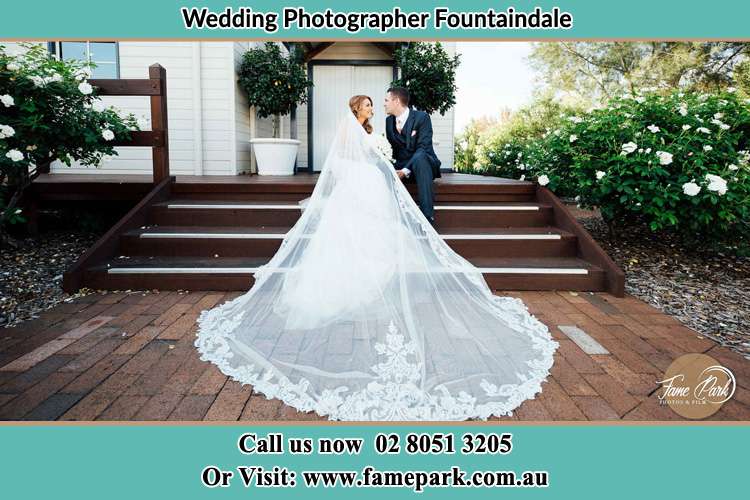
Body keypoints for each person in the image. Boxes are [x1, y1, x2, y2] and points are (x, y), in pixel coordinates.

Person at [194, 94, 558, 421]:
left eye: (376, 103)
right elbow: (339, 164)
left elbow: (389, 153)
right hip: (358, 184)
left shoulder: (378, 128)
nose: (374, 108)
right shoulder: (352, 130)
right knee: (353, 233)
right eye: (368, 104)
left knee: (380, 228)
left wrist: (384, 163)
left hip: (376, 179)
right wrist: (372, 168)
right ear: (357, 109)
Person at [384, 87, 441, 224]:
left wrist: (404, 171)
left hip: (424, 165)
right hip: (401, 165)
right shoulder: (388, 121)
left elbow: (423, 148)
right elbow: (393, 150)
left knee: (420, 157)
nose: (384, 104)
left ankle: (427, 217)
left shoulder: (422, 117)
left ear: (396, 101)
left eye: (386, 100)